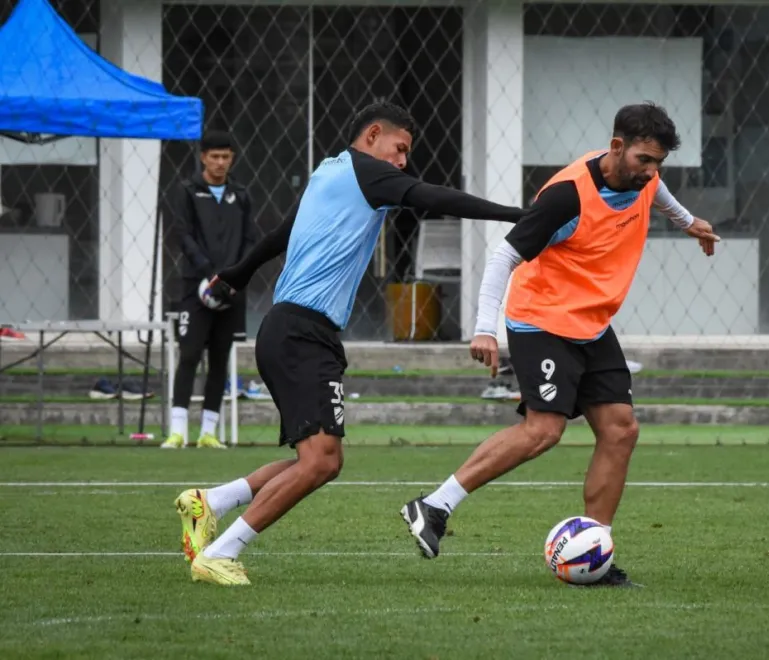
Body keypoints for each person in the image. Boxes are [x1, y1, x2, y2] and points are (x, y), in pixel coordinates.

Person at [171, 100, 525, 586]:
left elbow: (280, 234)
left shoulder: (328, 172)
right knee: (321, 461)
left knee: (319, 461)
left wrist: (235, 273)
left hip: (294, 330)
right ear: (373, 134)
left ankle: (210, 502)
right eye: (400, 148)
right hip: (300, 333)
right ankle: (219, 552)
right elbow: (434, 197)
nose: (403, 161)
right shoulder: (367, 172)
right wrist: (517, 215)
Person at [400, 102, 720, 588]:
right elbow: (503, 257)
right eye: (644, 160)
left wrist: (687, 221)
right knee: (543, 430)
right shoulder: (566, 197)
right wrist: (485, 328)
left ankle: (595, 553)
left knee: (621, 430)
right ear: (616, 147)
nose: (651, 171)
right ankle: (434, 505)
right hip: (542, 321)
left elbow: (658, 190)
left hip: (591, 323)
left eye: (658, 162)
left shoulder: (642, 176)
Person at [161, 130, 256, 450]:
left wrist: (236, 275)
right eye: (214, 156)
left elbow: (249, 239)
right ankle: (177, 431)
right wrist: (207, 271)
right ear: (203, 157)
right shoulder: (188, 191)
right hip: (196, 287)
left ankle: (208, 433)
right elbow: (182, 234)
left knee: (219, 358)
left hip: (230, 290)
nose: (220, 162)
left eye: (225, 157)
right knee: (189, 355)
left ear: (232, 159)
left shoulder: (240, 195)